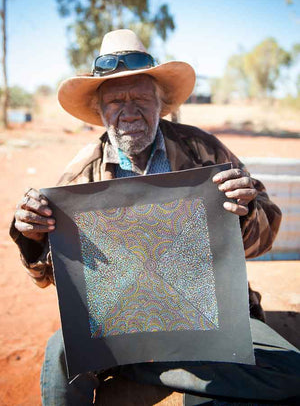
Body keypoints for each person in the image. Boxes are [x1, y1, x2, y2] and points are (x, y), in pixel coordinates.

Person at [10, 29, 299, 405]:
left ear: (160, 103)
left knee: (291, 374)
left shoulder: (203, 151)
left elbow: (264, 238)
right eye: (115, 101)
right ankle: (174, 368)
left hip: (211, 314)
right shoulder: (81, 174)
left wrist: (245, 212)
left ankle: (153, 368)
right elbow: (47, 276)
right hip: (118, 323)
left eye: (141, 98)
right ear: (100, 112)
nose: (129, 111)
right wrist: (32, 236)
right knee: (60, 356)